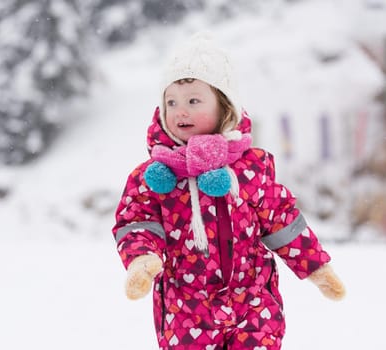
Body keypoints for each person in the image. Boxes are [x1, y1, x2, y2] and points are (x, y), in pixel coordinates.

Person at [112, 32, 345, 350]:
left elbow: (281, 219)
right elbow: (136, 222)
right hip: (187, 310)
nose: (180, 111)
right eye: (171, 102)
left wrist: (316, 265)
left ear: (224, 107)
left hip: (253, 303)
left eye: (194, 101)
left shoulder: (250, 169)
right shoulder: (151, 178)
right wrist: (143, 259)